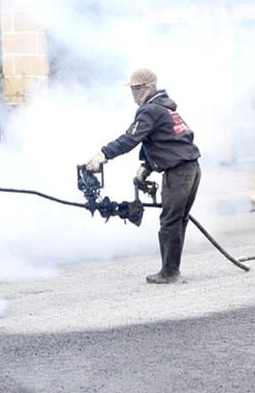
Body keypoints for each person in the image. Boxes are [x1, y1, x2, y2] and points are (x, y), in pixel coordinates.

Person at [83, 68, 201, 285]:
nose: (133, 94)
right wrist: (147, 166)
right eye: (132, 89)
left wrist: (103, 155)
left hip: (179, 172)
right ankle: (171, 269)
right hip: (190, 169)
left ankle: (169, 273)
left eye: (136, 89)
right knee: (177, 220)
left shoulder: (150, 110)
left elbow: (130, 139)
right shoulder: (165, 109)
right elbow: (167, 140)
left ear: (148, 87)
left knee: (170, 221)